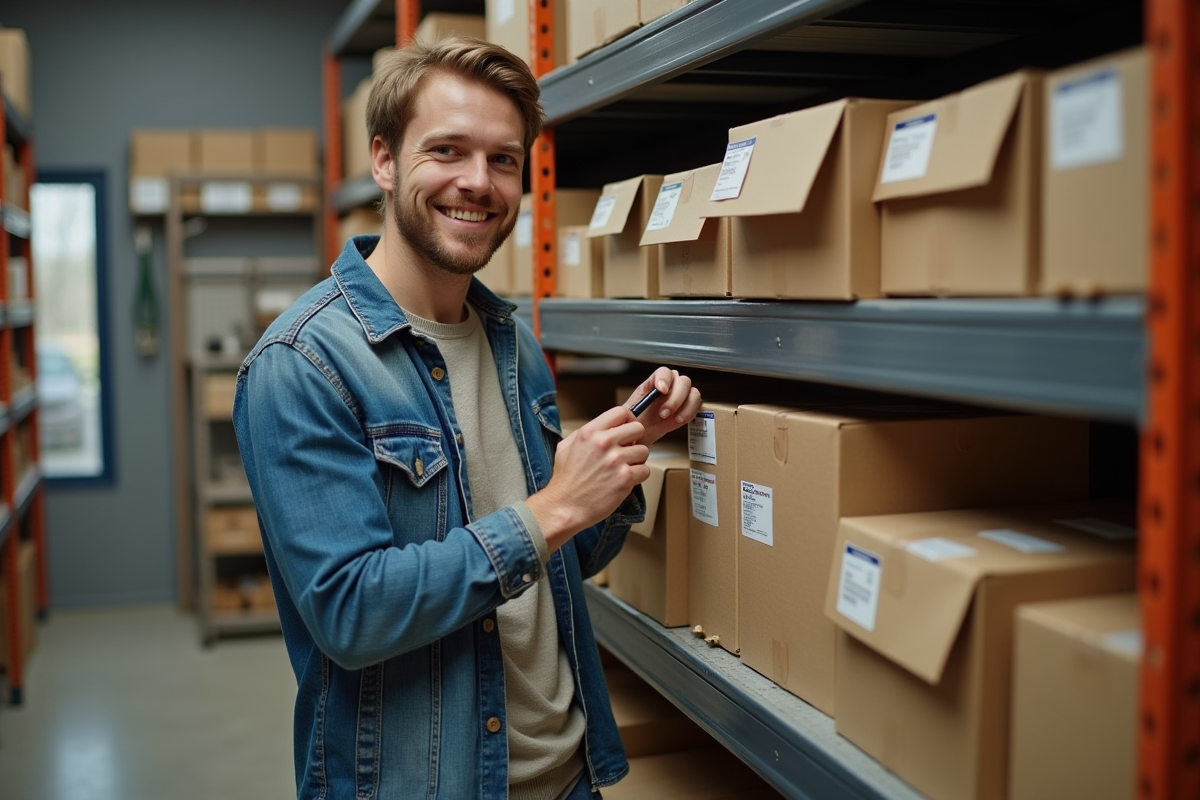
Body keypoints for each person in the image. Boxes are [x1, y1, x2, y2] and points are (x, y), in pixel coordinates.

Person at [232, 36, 702, 800]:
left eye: (504, 160)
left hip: (566, 774)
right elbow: (352, 613)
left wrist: (611, 465)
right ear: (383, 161)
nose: (477, 183)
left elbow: (558, 565)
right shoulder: (301, 364)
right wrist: (551, 509)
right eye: (446, 150)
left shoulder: (513, 343)